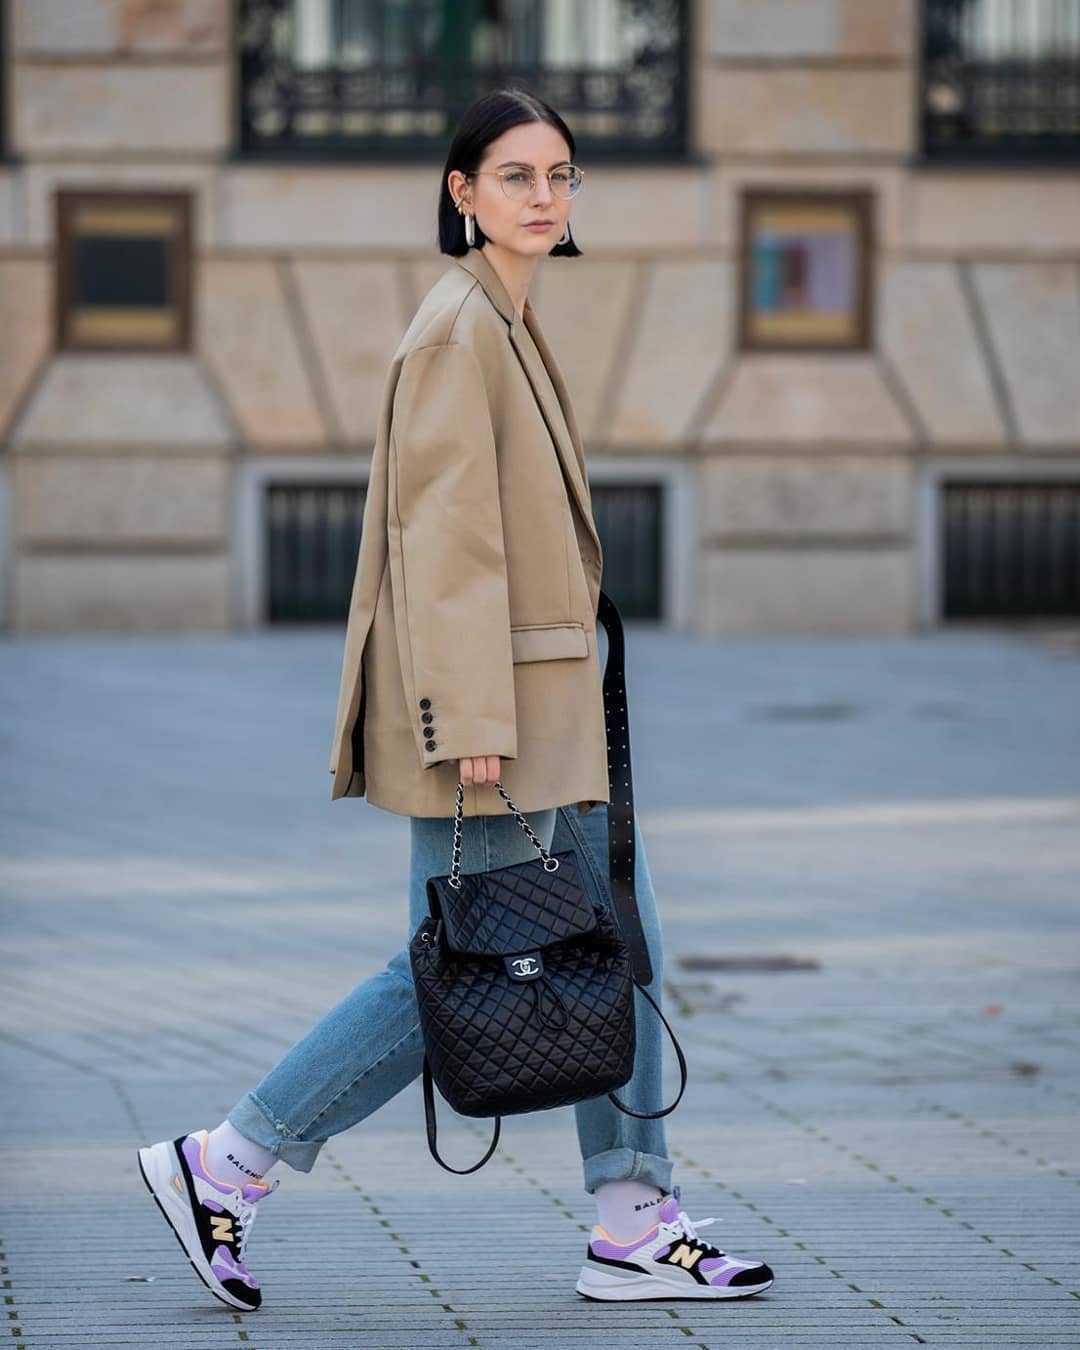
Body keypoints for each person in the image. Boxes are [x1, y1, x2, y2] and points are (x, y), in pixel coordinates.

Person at [136, 86, 774, 1312]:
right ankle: (229, 1161)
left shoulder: (505, 319)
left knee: (611, 944)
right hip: (500, 724)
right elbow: (444, 545)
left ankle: (631, 1217)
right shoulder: (457, 330)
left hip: (546, 711)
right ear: (462, 191)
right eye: (517, 175)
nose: (544, 196)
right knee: (463, 964)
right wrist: (472, 719)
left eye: (561, 174)